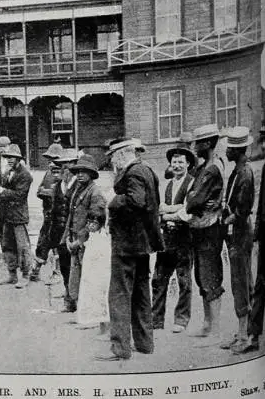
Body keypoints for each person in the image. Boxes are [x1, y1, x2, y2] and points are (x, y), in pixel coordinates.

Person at [96, 137, 164, 361]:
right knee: (142, 293)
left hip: (127, 244)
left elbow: (137, 201)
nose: (112, 161)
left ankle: (120, 348)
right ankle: (145, 344)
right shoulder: (148, 171)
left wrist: (112, 200)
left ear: (124, 153)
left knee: (119, 295)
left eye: (113, 156)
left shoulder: (133, 172)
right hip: (143, 243)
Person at [184, 124, 226, 344]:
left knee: (210, 275)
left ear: (208, 143)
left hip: (209, 229)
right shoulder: (203, 168)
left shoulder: (211, 169)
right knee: (202, 275)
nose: (195, 147)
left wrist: (192, 200)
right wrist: (192, 198)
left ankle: (215, 329)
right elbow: (191, 196)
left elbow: (194, 200)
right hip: (201, 228)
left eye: (198, 143)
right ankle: (208, 325)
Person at [217, 127, 255, 352]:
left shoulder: (246, 174)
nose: (227, 151)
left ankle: (246, 336)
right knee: (239, 283)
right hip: (235, 235)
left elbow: (242, 210)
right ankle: (241, 332)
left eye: (230, 147)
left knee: (242, 283)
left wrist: (225, 220)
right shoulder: (237, 171)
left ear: (238, 150)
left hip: (240, 235)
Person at [243, 112, 265, 354]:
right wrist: (257, 234)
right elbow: (263, 203)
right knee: (260, 284)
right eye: (264, 136)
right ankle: (253, 337)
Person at [29, 148, 79, 311]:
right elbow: (54, 210)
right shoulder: (58, 186)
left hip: (74, 233)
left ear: (73, 165)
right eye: (61, 165)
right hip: (59, 232)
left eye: (66, 165)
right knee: (64, 265)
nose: (63, 168)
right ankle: (70, 299)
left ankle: (78, 298)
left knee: (77, 267)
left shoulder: (79, 185)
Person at [154, 145, 196, 333]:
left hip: (184, 238)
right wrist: (173, 209)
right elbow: (160, 207)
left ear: (187, 164)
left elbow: (188, 210)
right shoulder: (167, 184)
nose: (177, 165)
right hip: (166, 239)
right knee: (158, 279)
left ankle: (181, 319)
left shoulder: (193, 183)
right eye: (174, 162)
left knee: (184, 280)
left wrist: (169, 213)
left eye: (180, 162)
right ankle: (156, 320)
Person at [65, 155, 108, 333]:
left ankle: (94, 318)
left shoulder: (95, 193)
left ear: (92, 174)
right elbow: (72, 215)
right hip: (75, 239)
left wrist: (80, 240)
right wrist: (68, 236)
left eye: (85, 172)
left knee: (90, 279)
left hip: (88, 242)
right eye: (78, 172)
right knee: (77, 277)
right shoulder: (78, 190)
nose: (80, 175)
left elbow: (95, 221)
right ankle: (83, 315)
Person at [0, 144, 34, 288]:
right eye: (7, 157)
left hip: (18, 216)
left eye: (12, 157)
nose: (9, 160)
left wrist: (2, 191)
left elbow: (19, 195)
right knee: (7, 245)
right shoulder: (9, 172)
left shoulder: (25, 175)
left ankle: (25, 275)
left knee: (22, 247)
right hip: (7, 216)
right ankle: (12, 274)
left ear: (18, 158)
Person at [0, 135, 11, 249]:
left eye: (4, 146)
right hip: (0, 199)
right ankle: (3, 248)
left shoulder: (15, 161)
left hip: (12, 198)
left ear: (9, 146)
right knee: (1, 223)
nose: (2, 149)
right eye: (0, 147)